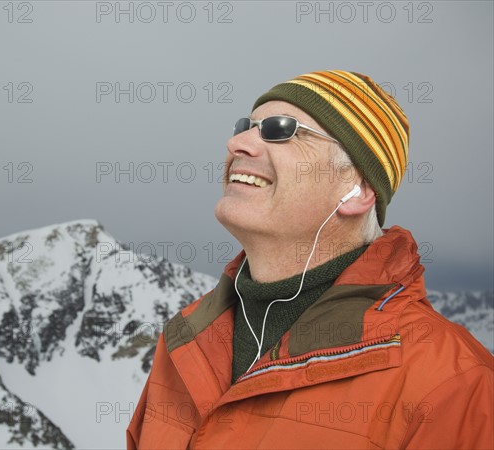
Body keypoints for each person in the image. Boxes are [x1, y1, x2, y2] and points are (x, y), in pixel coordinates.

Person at [126, 70, 494, 449]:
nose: (236, 142)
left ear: (357, 190)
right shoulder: (184, 342)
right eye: (245, 126)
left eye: (281, 129)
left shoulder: (452, 382)